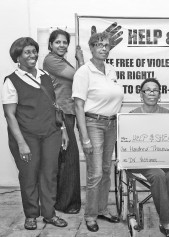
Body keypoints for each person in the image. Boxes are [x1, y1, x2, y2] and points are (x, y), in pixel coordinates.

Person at [2, 37, 69, 230]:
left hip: (51, 134)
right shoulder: (11, 81)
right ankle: (31, 215)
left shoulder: (45, 76)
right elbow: (10, 115)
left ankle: (49, 214)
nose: (33, 55)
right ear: (18, 57)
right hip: (26, 136)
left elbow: (54, 106)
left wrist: (62, 129)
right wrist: (21, 143)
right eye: (27, 52)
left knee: (49, 175)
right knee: (29, 176)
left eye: (34, 51)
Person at [72, 31, 124, 232]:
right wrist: (84, 137)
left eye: (107, 46)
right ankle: (90, 215)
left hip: (111, 125)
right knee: (94, 174)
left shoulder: (110, 70)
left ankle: (102, 209)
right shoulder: (84, 72)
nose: (104, 48)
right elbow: (78, 106)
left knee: (105, 171)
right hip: (92, 124)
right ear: (91, 47)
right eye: (99, 45)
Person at [130, 78, 169, 237]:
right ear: (141, 94)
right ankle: (166, 223)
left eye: (155, 90)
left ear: (159, 95)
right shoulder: (132, 115)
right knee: (158, 175)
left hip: (162, 158)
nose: (151, 93)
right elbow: (127, 142)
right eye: (147, 90)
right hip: (140, 160)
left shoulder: (167, 114)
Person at [43, 29, 84, 214]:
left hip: (67, 112)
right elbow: (80, 77)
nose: (61, 45)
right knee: (69, 157)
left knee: (62, 159)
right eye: (57, 42)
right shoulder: (51, 60)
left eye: (64, 42)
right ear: (50, 44)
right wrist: (81, 59)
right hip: (59, 114)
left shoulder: (62, 61)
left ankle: (60, 202)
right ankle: (67, 204)